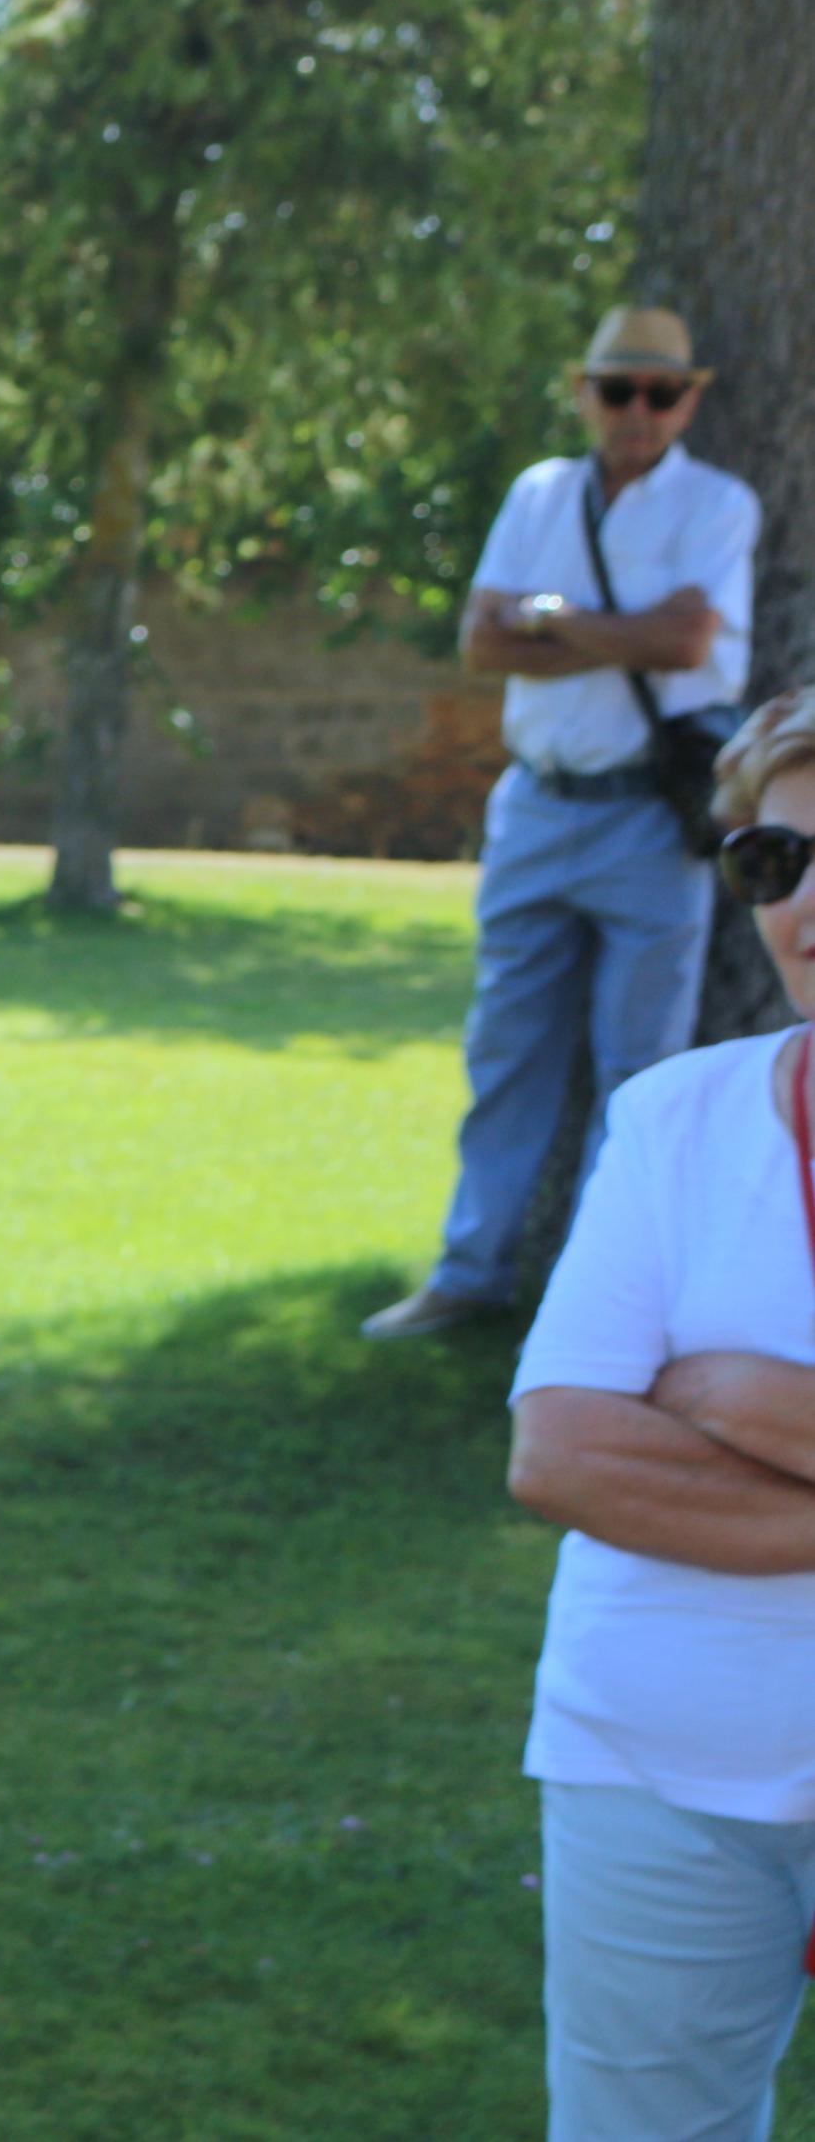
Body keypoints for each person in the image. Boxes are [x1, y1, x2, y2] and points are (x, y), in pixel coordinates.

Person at [505, 685, 815, 2137]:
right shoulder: (672, 1117)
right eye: (773, 860)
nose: (801, 903)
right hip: (652, 1761)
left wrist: (744, 1399)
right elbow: (560, 1446)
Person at [370, 306, 758, 1341]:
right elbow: (478, 642)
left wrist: (546, 618)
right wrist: (608, 633)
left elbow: (682, 642)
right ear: (582, 392)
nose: (636, 410)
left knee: (635, 1074)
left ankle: (596, 1303)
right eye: (616, 388)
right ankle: (469, 1271)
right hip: (535, 806)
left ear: (686, 401)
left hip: (647, 816)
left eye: (658, 391)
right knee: (505, 1052)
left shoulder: (717, 505)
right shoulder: (536, 493)